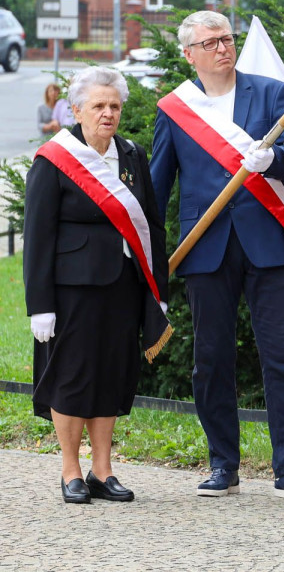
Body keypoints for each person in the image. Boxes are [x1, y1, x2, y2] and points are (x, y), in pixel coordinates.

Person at [151, 10, 284, 502]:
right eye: (210, 43)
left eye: (227, 39)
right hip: (205, 249)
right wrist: (146, 254)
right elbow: (158, 187)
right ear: (190, 54)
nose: (223, 48)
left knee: (283, 357)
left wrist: (273, 160)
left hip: (267, 243)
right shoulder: (175, 109)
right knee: (211, 359)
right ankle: (222, 464)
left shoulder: (270, 93)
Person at [25, 67, 170, 503]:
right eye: (99, 106)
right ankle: (70, 469)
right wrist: (40, 305)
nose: (108, 114)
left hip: (123, 285)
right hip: (72, 289)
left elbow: (152, 227)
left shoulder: (132, 155)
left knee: (112, 372)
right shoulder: (55, 158)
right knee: (72, 375)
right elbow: (37, 235)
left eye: (115, 106)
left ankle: (102, 470)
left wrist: (156, 293)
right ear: (77, 110)